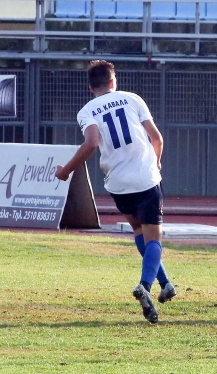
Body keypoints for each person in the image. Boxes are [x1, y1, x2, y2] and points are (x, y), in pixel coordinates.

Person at [55, 60, 175, 324]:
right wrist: (157, 160)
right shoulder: (132, 99)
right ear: (113, 81)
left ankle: (166, 284)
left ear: (90, 87)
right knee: (154, 239)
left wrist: (66, 171)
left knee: (139, 233)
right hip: (145, 178)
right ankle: (145, 286)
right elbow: (157, 138)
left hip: (118, 184)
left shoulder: (86, 111)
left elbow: (91, 144)